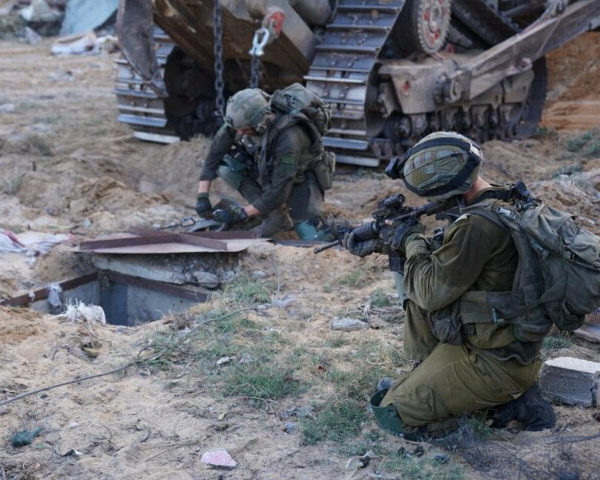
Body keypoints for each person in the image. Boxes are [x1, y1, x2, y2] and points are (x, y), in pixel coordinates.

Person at [344, 131, 556, 438]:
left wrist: (411, 238)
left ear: (453, 190)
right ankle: (445, 383)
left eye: (435, 196)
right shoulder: (501, 200)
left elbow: (431, 292)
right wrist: (390, 243)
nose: (432, 204)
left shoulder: (477, 225)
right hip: (505, 347)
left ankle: (504, 404)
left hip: (493, 362)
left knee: (392, 414)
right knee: (417, 282)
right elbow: (449, 260)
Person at [194, 87, 334, 240]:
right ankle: (276, 217)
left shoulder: (289, 137)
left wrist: (241, 213)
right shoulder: (240, 121)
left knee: (313, 238)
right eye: (238, 130)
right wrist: (202, 197)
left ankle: (335, 231)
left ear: (260, 123)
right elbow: (213, 157)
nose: (240, 133)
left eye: (245, 130)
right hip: (269, 168)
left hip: (299, 178)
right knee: (227, 167)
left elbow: (280, 190)